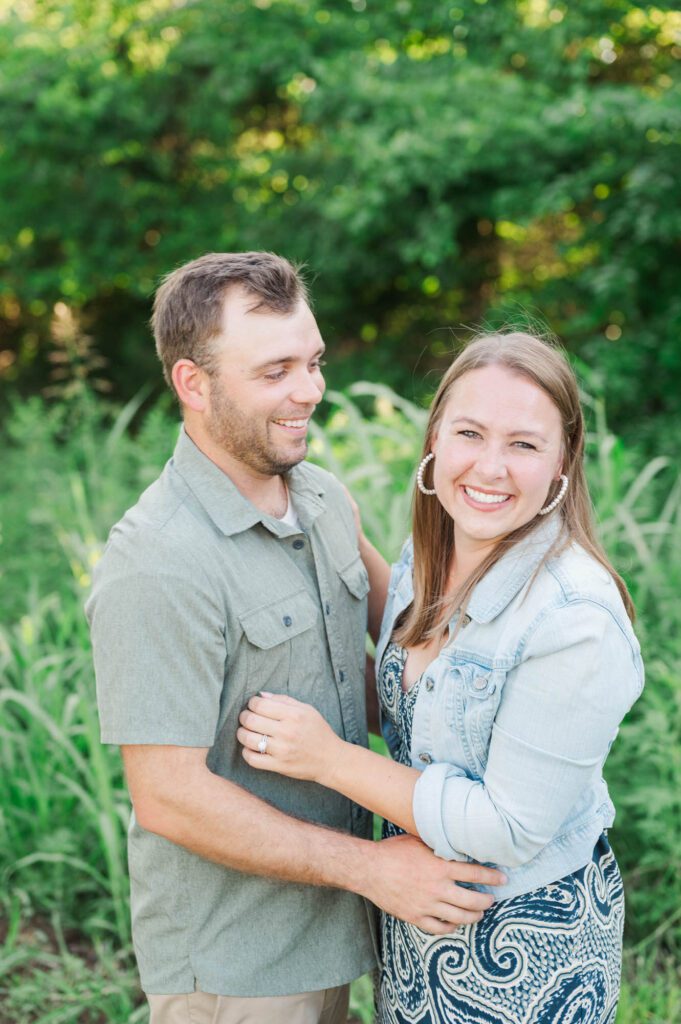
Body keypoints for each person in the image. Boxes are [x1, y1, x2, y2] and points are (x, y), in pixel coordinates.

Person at [85, 252, 504, 1024]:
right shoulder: (156, 564)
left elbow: (406, 654)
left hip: (344, 928)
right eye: (275, 370)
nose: (308, 390)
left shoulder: (319, 496)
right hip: (238, 964)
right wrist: (372, 868)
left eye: (311, 361)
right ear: (193, 384)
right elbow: (169, 797)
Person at [238, 330, 644, 1024]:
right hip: (418, 923)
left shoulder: (574, 619)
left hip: (524, 945)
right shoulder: (433, 557)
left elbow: (506, 826)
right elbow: (408, 685)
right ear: (433, 441)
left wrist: (328, 760)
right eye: (468, 434)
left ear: (562, 463)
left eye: (523, 444)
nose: (489, 467)